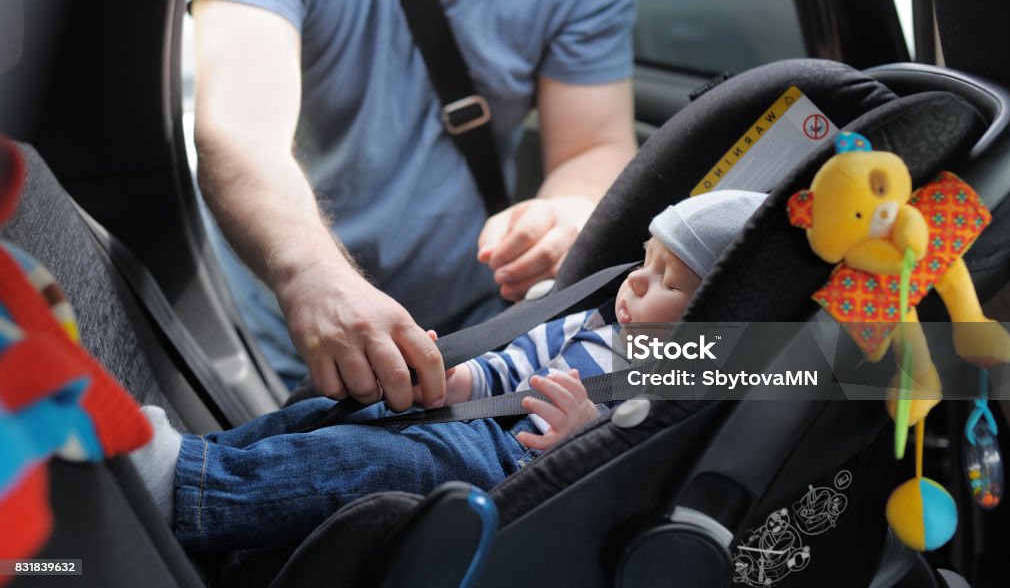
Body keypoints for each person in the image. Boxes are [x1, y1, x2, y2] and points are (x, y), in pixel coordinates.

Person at [131, 190, 767, 550]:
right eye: (645, 261)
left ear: (713, 316)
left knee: (387, 464)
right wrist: (454, 379)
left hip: (514, 467)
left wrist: (578, 432)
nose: (635, 282)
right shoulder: (595, 324)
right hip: (477, 420)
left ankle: (195, 495)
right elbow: (517, 363)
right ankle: (198, 458)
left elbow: (626, 463)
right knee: (338, 413)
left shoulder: (679, 383)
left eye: (666, 281)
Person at [188, 0, 639, 405]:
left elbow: (594, 144)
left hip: (474, 330)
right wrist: (311, 277)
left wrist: (567, 211)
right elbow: (239, 132)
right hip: (285, 332)